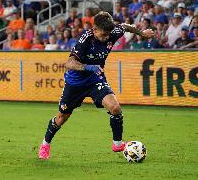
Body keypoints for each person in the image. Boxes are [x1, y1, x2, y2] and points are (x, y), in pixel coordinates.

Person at [38, 11, 154, 160]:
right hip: (75, 83)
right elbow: (70, 63)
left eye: (108, 35)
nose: (106, 38)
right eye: (103, 35)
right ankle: (45, 144)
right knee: (61, 118)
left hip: (95, 80)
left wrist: (142, 33)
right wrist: (89, 67)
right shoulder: (86, 39)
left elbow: (125, 26)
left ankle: (117, 143)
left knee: (115, 108)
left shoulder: (112, 31)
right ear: (95, 29)